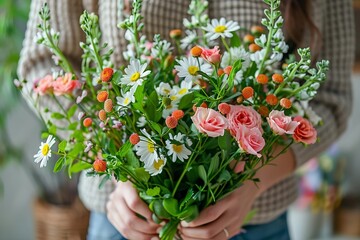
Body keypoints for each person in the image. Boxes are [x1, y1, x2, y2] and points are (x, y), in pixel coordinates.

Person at [18, 0, 355, 239]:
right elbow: (40, 67)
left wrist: (256, 180)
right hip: (124, 223)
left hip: (254, 223)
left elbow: (331, 95)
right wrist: (116, 173)